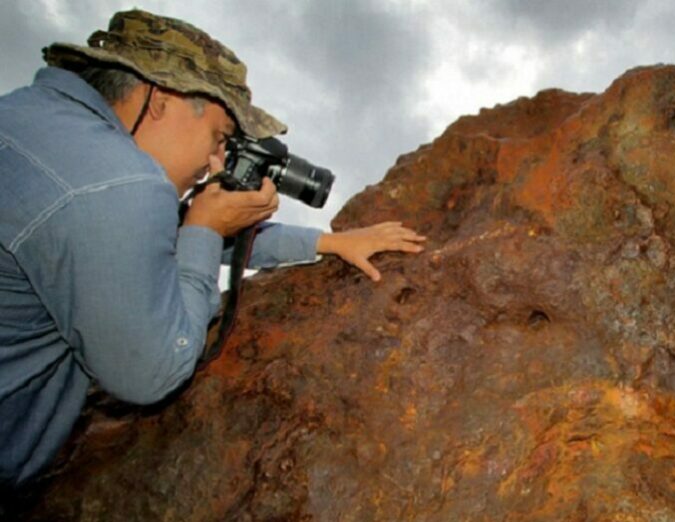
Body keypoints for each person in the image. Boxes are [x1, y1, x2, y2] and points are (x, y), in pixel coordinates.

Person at [0, 9, 426, 489]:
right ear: (161, 98)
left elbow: (158, 233)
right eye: (218, 137)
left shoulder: (31, 117)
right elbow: (152, 371)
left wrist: (325, 242)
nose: (213, 163)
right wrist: (204, 229)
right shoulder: (118, 185)